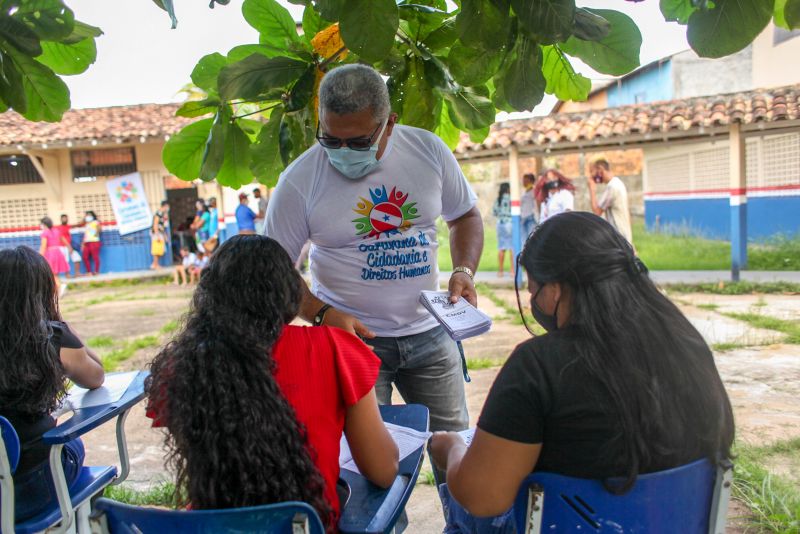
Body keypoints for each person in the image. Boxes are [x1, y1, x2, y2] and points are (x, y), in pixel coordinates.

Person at [429, 212, 735, 532]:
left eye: (534, 291)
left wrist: (451, 449)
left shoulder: (539, 366)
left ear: (558, 288)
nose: (533, 301)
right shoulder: (686, 341)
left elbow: (482, 497)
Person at [266, 64, 483, 439]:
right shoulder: (299, 181)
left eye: (360, 142)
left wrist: (463, 270)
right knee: (368, 467)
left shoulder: (428, 151)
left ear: (390, 123)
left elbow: (465, 216)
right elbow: (270, 268)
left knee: (455, 449)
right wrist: (320, 314)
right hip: (352, 346)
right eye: (331, 140)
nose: (343, 152)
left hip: (431, 334)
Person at [146, 235, 399, 530]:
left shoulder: (183, 364)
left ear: (210, 293)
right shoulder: (334, 348)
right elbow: (383, 470)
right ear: (287, 294)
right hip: (306, 523)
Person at [0, 246, 105, 522]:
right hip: (34, 488)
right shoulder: (52, 338)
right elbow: (96, 377)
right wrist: (65, 327)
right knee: (74, 447)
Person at [587, 158, 633, 245]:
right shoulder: (618, 183)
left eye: (592, 172)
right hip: (624, 233)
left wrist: (592, 189)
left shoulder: (612, 187)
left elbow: (597, 212)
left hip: (618, 235)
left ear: (600, 170)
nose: (591, 176)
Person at [39, 216, 71, 296]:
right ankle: (58, 289)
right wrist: (69, 247)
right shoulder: (56, 231)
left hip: (50, 253)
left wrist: (39, 256)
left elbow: (43, 246)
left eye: (41, 224)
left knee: (52, 272)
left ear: (44, 224)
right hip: (58, 252)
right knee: (55, 273)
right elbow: (63, 240)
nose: (40, 226)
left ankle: (60, 286)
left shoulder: (45, 233)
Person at [492, 182, 513, 278]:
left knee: (501, 248)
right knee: (512, 248)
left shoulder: (498, 200)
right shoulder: (511, 199)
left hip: (500, 224)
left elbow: (494, 212)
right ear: (508, 189)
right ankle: (512, 270)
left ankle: (500, 271)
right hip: (510, 223)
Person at [150, 200, 170, 270]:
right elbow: (155, 224)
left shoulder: (162, 214)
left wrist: (165, 235)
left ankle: (155, 264)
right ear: (165, 206)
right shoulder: (158, 213)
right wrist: (157, 235)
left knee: (160, 249)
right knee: (156, 249)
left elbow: (162, 226)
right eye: (167, 206)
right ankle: (155, 265)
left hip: (160, 233)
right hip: (157, 233)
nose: (168, 208)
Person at [81, 210, 102, 275]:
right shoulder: (86, 224)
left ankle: (96, 271)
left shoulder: (96, 222)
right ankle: (89, 272)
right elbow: (85, 234)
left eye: (89, 215)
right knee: (85, 257)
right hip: (86, 242)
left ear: (93, 216)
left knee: (95, 257)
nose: (88, 216)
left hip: (94, 241)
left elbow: (100, 229)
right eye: (87, 215)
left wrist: (96, 234)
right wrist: (83, 243)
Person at [520, 173, 538, 238]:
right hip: (523, 218)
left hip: (530, 217)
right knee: (524, 240)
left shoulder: (534, 191)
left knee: (531, 238)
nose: (524, 182)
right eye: (523, 181)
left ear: (531, 181)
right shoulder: (525, 192)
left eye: (526, 181)